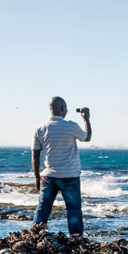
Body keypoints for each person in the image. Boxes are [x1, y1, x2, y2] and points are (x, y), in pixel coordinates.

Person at [32, 97, 92, 235]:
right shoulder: (71, 126)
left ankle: (35, 236)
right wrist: (86, 119)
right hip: (70, 176)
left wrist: (36, 178)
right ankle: (76, 239)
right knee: (73, 210)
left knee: (43, 209)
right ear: (62, 109)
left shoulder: (40, 129)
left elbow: (35, 156)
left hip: (48, 176)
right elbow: (87, 137)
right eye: (66, 108)